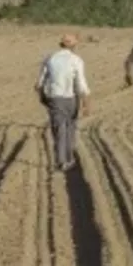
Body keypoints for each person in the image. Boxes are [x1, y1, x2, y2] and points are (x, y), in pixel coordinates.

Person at [35, 33, 90, 172]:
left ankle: (61, 161)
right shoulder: (76, 60)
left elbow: (39, 83)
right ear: (74, 45)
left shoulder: (50, 58)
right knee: (70, 128)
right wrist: (86, 103)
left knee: (59, 129)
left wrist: (42, 97)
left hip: (55, 99)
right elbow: (81, 84)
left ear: (61, 44)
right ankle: (69, 158)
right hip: (71, 99)